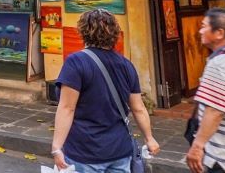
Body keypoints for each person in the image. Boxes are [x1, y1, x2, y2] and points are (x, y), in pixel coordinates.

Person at [51, 9, 160, 172]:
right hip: (120, 150)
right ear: (115, 33)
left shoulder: (76, 62)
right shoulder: (126, 65)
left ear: (83, 31)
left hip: (85, 151)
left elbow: (67, 108)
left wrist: (57, 146)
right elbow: (138, 108)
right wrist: (149, 138)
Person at [186, 8, 225, 173]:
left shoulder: (219, 64)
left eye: (203, 26)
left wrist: (197, 146)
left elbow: (214, 111)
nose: (200, 31)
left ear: (219, 33)